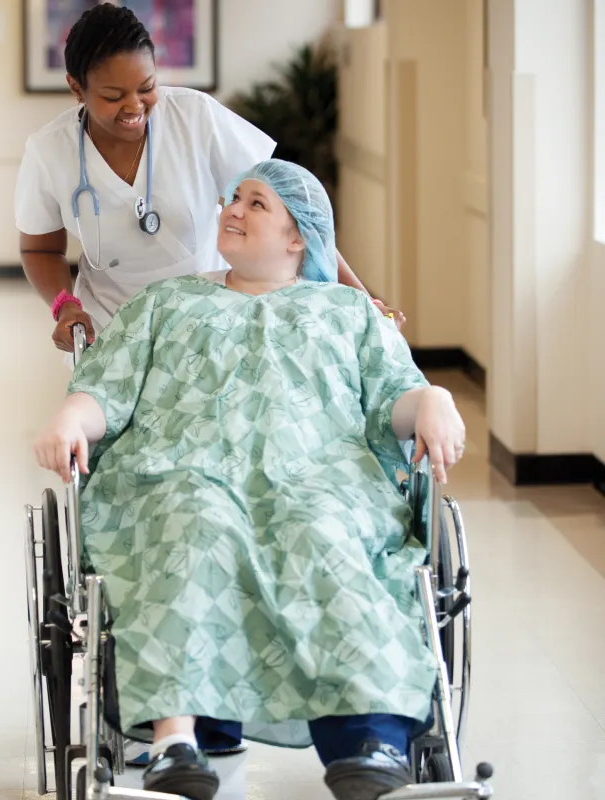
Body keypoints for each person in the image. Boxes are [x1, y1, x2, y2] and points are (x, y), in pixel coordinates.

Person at [33, 158, 466, 800]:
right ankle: (176, 740)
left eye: (256, 204)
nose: (232, 210)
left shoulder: (347, 312)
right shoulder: (167, 302)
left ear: (300, 237)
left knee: (325, 537)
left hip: (321, 477)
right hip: (183, 470)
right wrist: (73, 413)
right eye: (233, 198)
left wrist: (430, 399)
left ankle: (370, 741)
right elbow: (108, 388)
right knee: (194, 526)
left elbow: (392, 397)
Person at [14, 2, 404, 374]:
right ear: (76, 88)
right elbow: (39, 247)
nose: (134, 106)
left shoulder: (195, 117)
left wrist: (361, 299)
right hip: (112, 324)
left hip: (214, 319)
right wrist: (65, 306)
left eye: (147, 87)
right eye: (113, 96)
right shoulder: (50, 152)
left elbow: (294, 216)